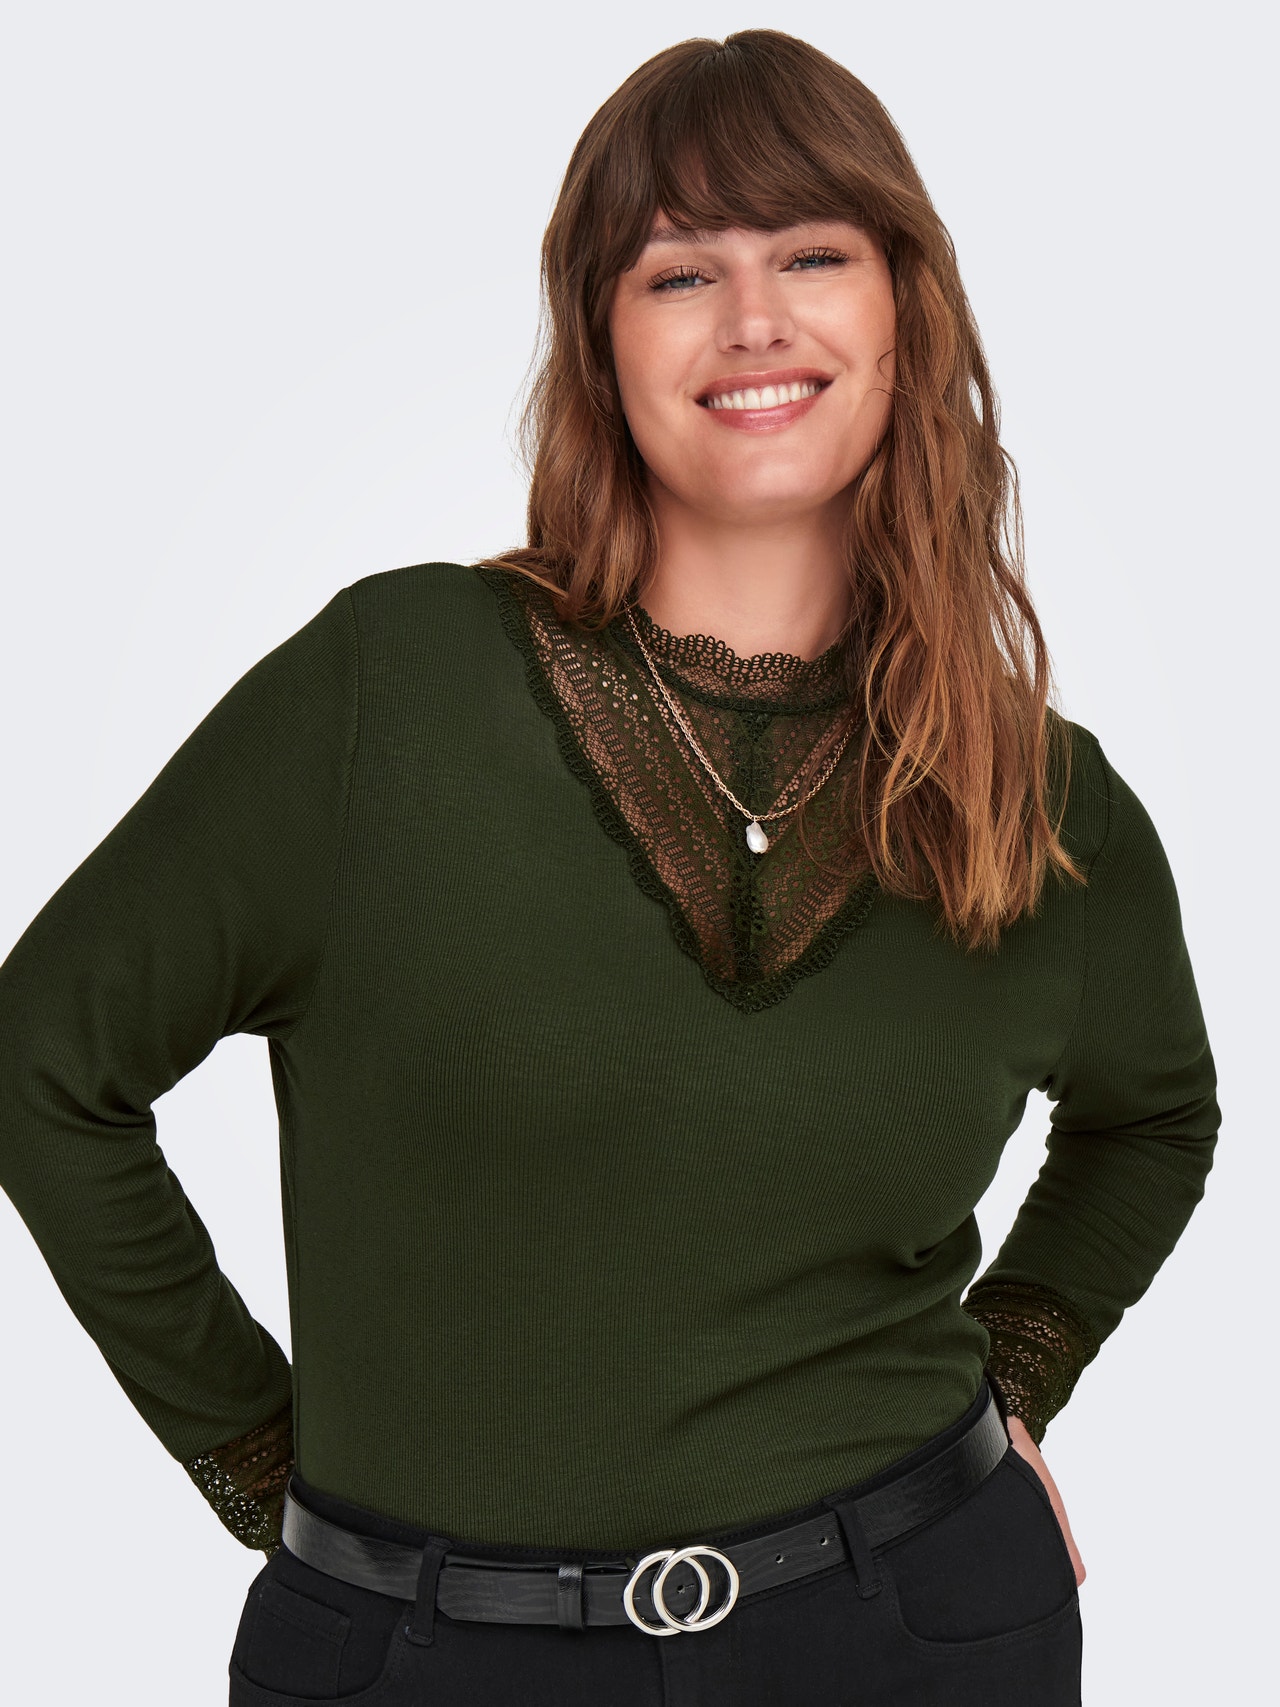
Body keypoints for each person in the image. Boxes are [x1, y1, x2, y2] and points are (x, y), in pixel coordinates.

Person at [0, 29, 1218, 1707]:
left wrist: (1014, 1381)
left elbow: (1156, 1118)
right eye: (679, 273)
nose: (755, 320)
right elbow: (46, 1058)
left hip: (920, 1627)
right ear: (600, 338)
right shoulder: (391, 694)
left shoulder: (1035, 791)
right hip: (427, 1657)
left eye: (813, 255)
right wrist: (259, 1455)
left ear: (905, 311)